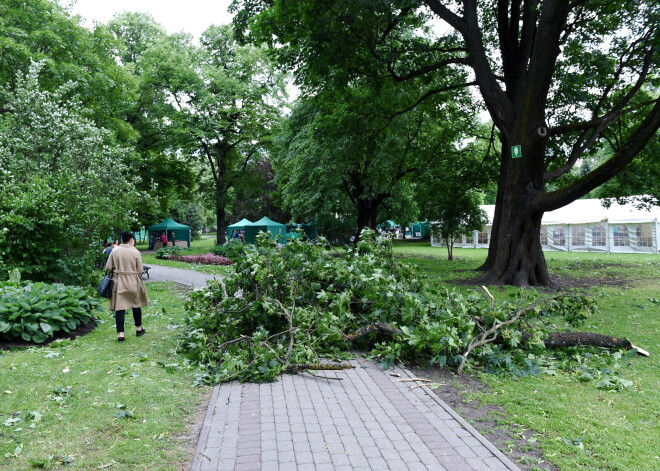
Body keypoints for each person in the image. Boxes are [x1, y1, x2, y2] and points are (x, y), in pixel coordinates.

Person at [105, 231, 149, 342]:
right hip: (133, 281)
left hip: (119, 281)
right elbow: (139, 270)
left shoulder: (115, 250)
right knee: (136, 304)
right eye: (133, 240)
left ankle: (121, 334)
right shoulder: (135, 252)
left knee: (120, 308)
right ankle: (139, 329)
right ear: (130, 240)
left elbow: (108, 267)